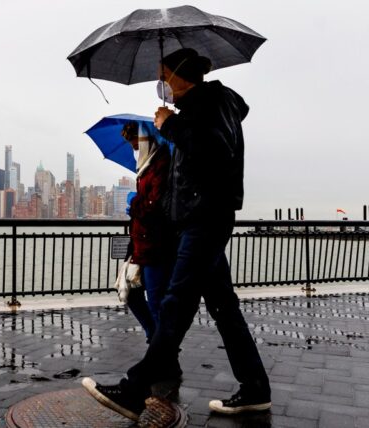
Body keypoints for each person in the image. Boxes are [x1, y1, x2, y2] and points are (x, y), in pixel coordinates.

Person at [82, 47, 271, 420]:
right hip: (200, 218)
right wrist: (162, 133)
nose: (161, 84)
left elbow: (214, 151)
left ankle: (135, 390)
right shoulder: (206, 107)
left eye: (163, 75)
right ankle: (255, 388)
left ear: (180, 76)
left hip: (205, 219)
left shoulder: (210, 104)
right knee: (224, 308)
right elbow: (191, 162)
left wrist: (171, 125)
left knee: (176, 305)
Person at [118, 121, 174, 347]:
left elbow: (156, 206)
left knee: (157, 302)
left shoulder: (162, 165)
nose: (134, 150)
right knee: (132, 294)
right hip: (141, 245)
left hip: (157, 247)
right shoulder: (145, 169)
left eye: (135, 144)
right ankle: (155, 338)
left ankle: (164, 353)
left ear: (146, 141)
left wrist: (135, 203)